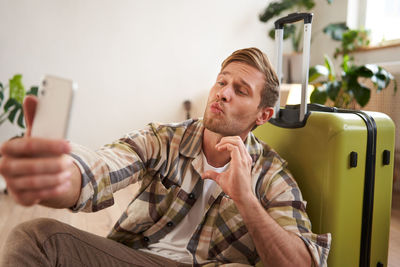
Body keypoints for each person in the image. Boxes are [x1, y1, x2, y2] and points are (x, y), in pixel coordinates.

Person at [0, 48, 330, 266]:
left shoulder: (271, 174)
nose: (222, 93)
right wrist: (57, 175)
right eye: (221, 82)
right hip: (139, 259)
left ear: (263, 115)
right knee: (35, 237)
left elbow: (301, 262)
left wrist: (245, 198)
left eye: (240, 90)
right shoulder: (165, 139)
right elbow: (105, 166)